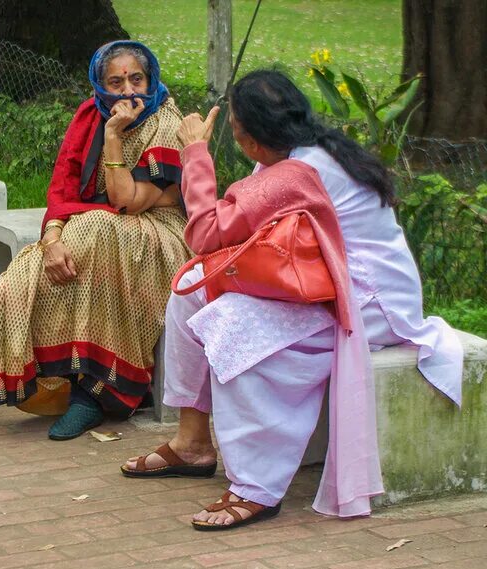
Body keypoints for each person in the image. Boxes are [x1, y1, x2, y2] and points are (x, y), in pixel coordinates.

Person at [122, 70, 464, 530]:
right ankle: (192, 443)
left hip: (368, 301)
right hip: (318, 276)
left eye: (237, 131)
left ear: (254, 143)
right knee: (192, 291)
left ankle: (256, 487)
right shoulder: (301, 150)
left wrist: (195, 153)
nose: (235, 137)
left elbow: (204, 232)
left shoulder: (300, 171)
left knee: (230, 323)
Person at [0, 40, 191, 440]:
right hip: (94, 229)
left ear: (151, 78)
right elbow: (63, 186)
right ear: (100, 85)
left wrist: (113, 136)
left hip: (160, 237)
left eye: (136, 79)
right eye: (116, 81)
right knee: (79, 243)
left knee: (97, 228)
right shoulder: (89, 114)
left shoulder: (167, 125)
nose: (128, 91)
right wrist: (53, 237)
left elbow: (126, 202)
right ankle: (83, 398)